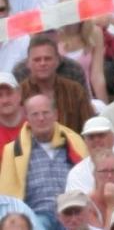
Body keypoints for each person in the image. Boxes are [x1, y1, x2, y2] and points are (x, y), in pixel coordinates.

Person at [0, 94, 88, 224]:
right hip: (35, 217)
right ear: (27, 118)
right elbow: (8, 194)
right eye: (35, 114)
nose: (41, 118)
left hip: (72, 213)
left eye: (45, 113)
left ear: (56, 114)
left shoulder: (73, 142)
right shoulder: (13, 150)